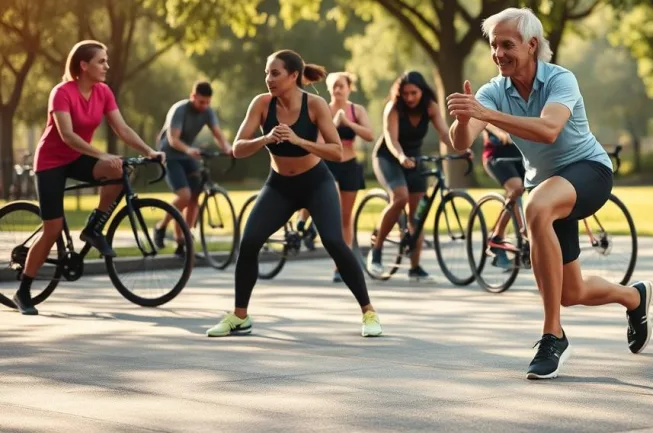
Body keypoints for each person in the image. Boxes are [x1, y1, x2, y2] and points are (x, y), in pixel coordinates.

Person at [447, 7, 653, 380]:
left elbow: (548, 129)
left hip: (589, 171)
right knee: (569, 292)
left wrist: (486, 115)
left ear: (532, 45)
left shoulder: (561, 80)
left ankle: (552, 335)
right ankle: (634, 297)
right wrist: (465, 120)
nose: (498, 54)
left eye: (507, 45)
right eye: (494, 46)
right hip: (547, 183)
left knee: (536, 205)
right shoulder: (493, 91)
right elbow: (463, 140)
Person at [205, 50, 382, 338]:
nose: (268, 79)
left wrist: (299, 140)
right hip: (279, 186)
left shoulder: (315, 105)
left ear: (293, 75)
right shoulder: (262, 104)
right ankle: (240, 317)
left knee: (335, 242)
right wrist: (266, 138)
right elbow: (237, 148)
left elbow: (336, 151)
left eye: (275, 73)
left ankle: (369, 313)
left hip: (316, 183)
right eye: (266, 73)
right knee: (249, 241)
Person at [13, 41, 164, 315]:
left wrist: (150, 151)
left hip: (76, 158)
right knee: (53, 229)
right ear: (84, 65)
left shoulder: (103, 92)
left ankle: (93, 228)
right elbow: (67, 135)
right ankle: (23, 291)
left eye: (106, 61)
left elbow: (122, 128)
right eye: (101, 61)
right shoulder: (61, 93)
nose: (107, 66)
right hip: (50, 162)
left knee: (120, 171)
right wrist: (102, 155)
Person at [367, 70, 467, 282]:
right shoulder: (393, 108)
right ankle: (376, 250)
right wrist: (402, 157)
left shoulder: (430, 106)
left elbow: (443, 132)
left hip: (416, 159)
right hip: (389, 157)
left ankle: (415, 268)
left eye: (414, 93)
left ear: (422, 91)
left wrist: (461, 148)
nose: (410, 98)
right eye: (406, 94)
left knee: (416, 216)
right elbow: (392, 141)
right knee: (400, 197)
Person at [153, 81, 232, 256]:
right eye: (201, 102)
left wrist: (228, 148)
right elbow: (173, 139)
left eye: (207, 102)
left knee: (194, 197)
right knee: (184, 196)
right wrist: (189, 149)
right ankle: (161, 227)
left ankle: (183, 241)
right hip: (170, 155)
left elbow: (218, 134)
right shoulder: (179, 110)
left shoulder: (208, 112)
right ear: (193, 96)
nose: (204, 106)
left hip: (188, 155)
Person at [321, 71, 374, 282]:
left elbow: (369, 135)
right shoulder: (323, 109)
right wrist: (334, 123)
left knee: (345, 217)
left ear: (348, 88)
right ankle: (307, 220)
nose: (337, 89)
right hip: (328, 165)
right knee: (333, 210)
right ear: (329, 89)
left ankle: (340, 266)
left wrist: (348, 123)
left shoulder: (356, 110)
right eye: (333, 86)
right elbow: (316, 137)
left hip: (350, 165)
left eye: (341, 86)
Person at [481, 124, 525, 269]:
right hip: (497, 156)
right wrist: (500, 132)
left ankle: (497, 237)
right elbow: (485, 119)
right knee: (517, 187)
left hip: (522, 156)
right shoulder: (490, 100)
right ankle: (524, 235)